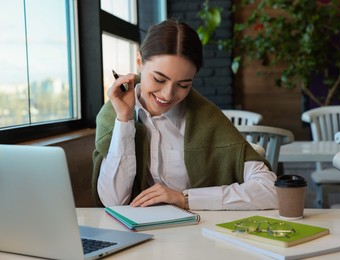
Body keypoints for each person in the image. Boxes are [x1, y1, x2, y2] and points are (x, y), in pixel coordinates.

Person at [92, 19, 277, 210]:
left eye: (183, 85)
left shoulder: (207, 119)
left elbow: (272, 190)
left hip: (200, 233)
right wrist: (124, 119)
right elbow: (113, 202)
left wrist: (185, 198)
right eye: (159, 79)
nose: (167, 95)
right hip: (139, 232)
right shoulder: (112, 117)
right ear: (139, 62)